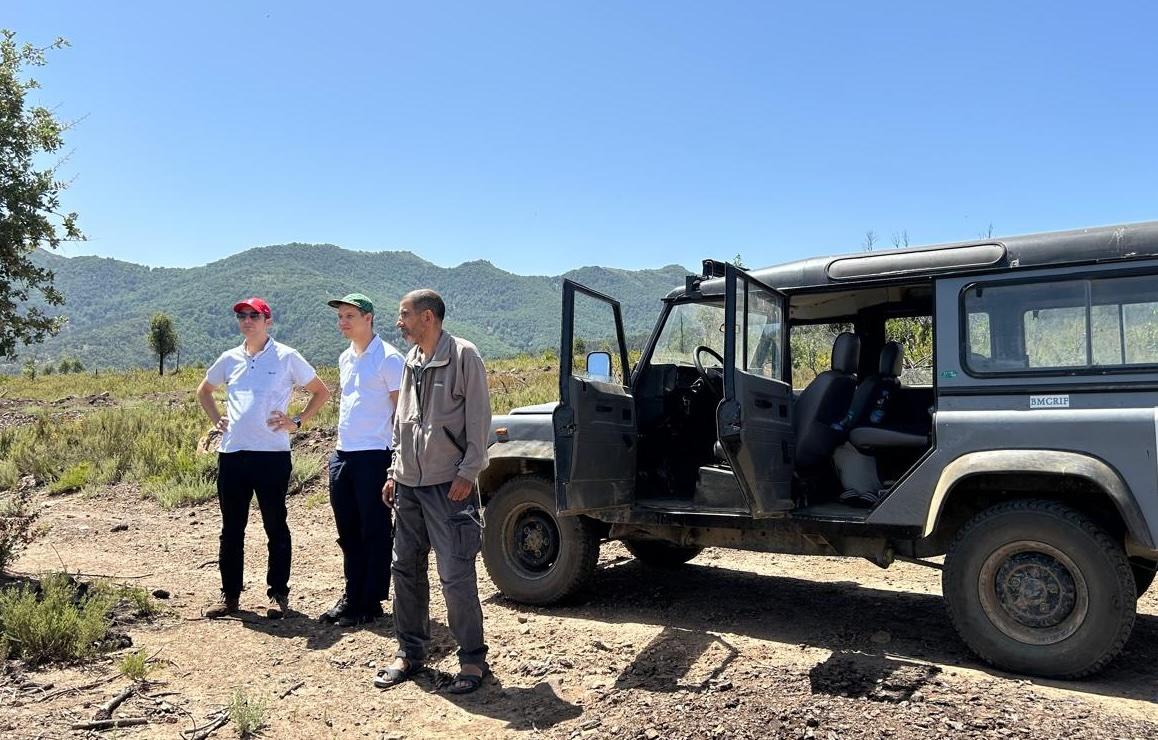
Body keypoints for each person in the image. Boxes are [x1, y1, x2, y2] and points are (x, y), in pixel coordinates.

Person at [374, 289, 492, 695]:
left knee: (455, 573)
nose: (399, 322)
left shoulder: (463, 356)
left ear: (427, 317)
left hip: (450, 484)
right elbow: (401, 423)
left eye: (404, 315)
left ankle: (473, 659)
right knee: (404, 568)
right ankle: (410, 653)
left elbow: (479, 419)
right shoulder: (411, 361)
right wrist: (394, 470)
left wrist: (469, 471)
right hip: (408, 484)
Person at [196, 297, 330, 619]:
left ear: (267, 321)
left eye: (254, 315)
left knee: (275, 525)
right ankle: (230, 597)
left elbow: (321, 391)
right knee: (231, 528)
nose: (247, 320)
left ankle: (278, 595)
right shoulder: (229, 359)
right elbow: (204, 390)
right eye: (242, 315)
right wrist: (217, 420)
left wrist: (296, 422)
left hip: (272, 455)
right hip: (232, 453)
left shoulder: (286, 357)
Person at [319, 293, 405, 627]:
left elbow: (401, 414)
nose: (343, 322)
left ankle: (371, 600)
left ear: (368, 317)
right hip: (343, 454)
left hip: (375, 455)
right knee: (348, 531)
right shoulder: (345, 358)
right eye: (340, 316)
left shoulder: (389, 358)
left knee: (375, 530)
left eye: (349, 315)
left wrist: (395, 464)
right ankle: (353, 595)